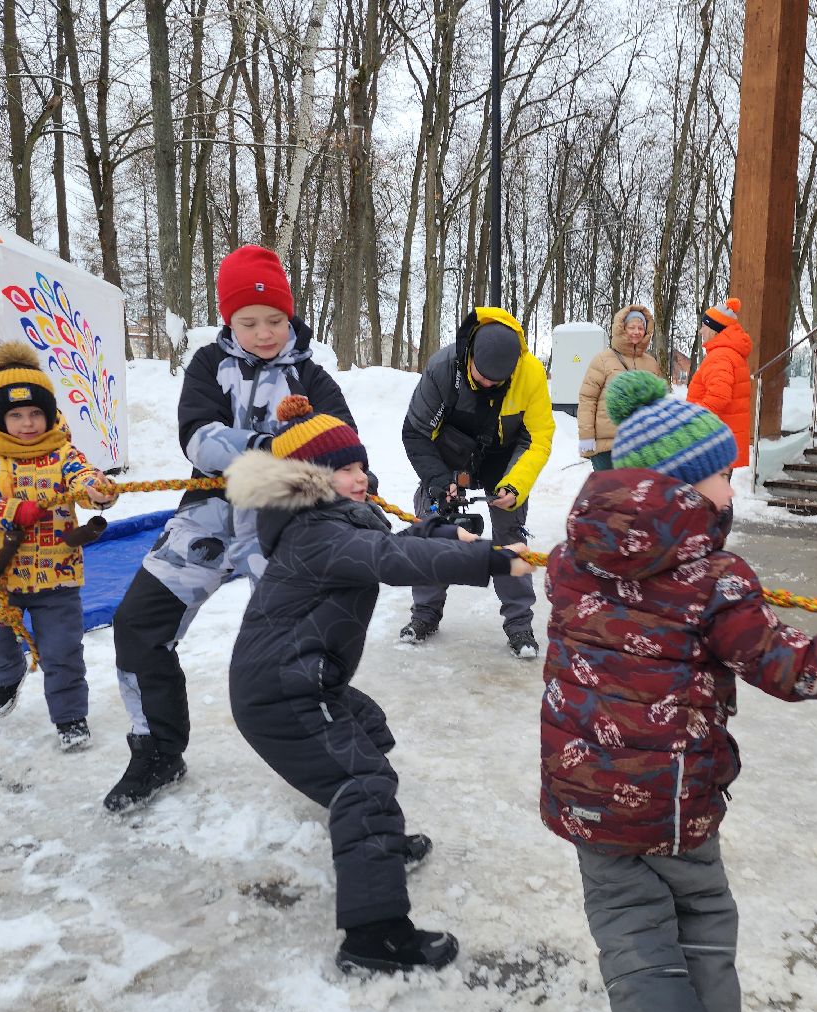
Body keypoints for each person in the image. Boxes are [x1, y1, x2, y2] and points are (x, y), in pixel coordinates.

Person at [540, 370, 817, 1012]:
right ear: (686, 489)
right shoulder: (715, 577)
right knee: (698, 927)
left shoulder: (570, 558)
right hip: (675, 803)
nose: (732, 492)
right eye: (723, 477)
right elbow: (796, 667)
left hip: (585, 795)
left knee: (633, 942)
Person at [225, 396, 533, 974]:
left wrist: (441, 531)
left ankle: (374, 843)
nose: (359, 476)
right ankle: (374, 938)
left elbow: (393, 542)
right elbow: (390, 558)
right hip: (280, 692)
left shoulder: (332, 521)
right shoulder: (316, 535)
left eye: (360, 464)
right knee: (363, 782)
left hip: (301, 680)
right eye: (343, 469)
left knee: (367, 734)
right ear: (308, 482)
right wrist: (488, 561)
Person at [105, 244, 357, 813]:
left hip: (286, 524)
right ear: (228, 320)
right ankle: (158, 750)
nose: (264, 333)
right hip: (209, 516)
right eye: (249, 322)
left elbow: (343, 449)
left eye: (275, 320)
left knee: (295, 653)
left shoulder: (312, 377)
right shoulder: (205, 367)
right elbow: (198, 437)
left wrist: (327, 469)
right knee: (138, 626)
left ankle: (344, 778)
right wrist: (272, 445)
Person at [0, 342, 116, 751]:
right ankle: (7, 675)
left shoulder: (63, 453)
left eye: (35, 413)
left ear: (48, 413)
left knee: (62, 652)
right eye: (17, 415)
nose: (27, 423)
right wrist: (9, 510)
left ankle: (71, 718)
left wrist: (97, 492)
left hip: (56, 573)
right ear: (1, 418)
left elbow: (85, 477)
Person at [399, 306, 553, 658]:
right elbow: (415, 432)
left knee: (510, 536)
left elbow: (539, 438)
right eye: (481, 376)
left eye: (495, 382)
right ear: (469, 356)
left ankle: (519, 624)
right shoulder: (442, 367)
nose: (486, 384)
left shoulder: (530, 373)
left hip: (504, 456)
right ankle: (425, 613)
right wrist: (439, 481)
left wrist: (515, 485)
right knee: (430, 529)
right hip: (449, 453)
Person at [578, 305, 659, 471]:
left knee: (632, 494)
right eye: (632, 327)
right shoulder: (603, 360)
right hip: (607, 446)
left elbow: (657, 402)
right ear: (622, 328)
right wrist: (586, 436)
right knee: (608, 493)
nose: (636, 332)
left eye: (640, 328)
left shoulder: (651, 363)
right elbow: (587, 399)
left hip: (639, 445)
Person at [687, 298, 754, 469]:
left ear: (714, 329)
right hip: (722, 439)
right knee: (719, 493)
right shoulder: (730, 353)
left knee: (712, 494)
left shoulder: (720, 356)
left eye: (704, 326)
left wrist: (692, 417)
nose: (701, 330)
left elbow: (719, 396)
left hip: (713, 441)